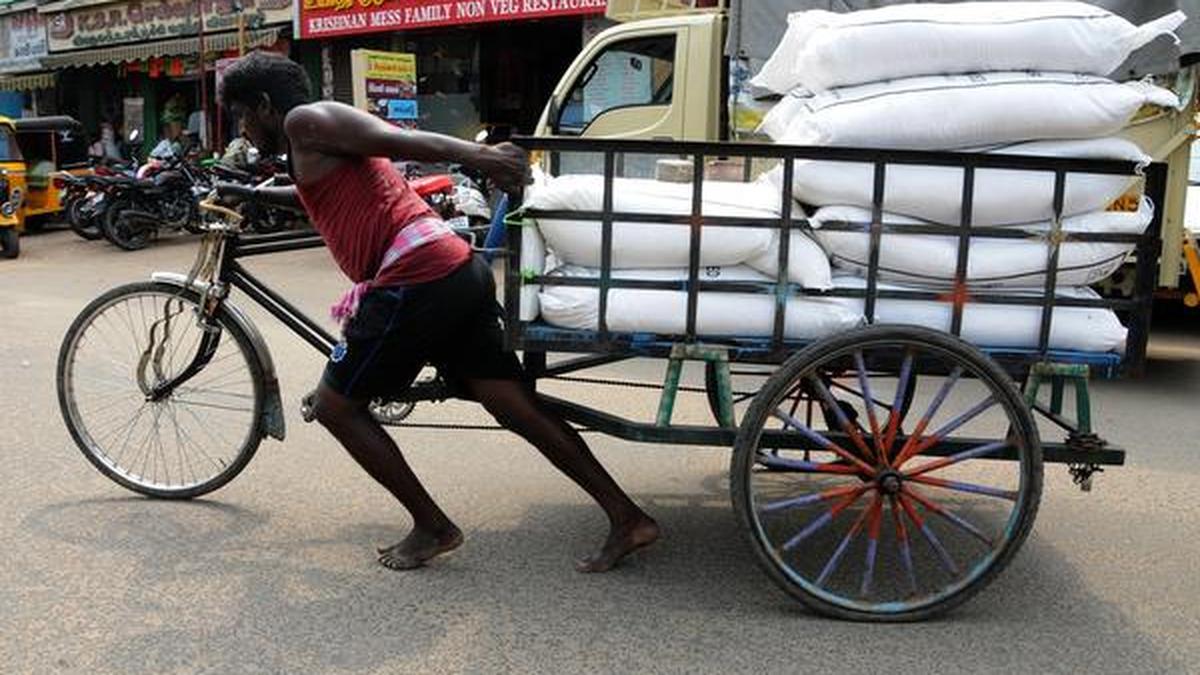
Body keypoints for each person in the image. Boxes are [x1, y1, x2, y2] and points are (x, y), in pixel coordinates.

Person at [216, 52, 659, 572]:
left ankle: (432, 526)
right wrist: (248, 190)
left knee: (337, 409)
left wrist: (483, 157)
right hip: (451, 272)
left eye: (243, 115)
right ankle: (628, 517)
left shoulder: (307, 120)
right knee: (511, 404)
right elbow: (316, 192)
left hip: (416, 279)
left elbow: (401, 140)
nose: (244, 129)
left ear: (265, 106)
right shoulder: (310, 142)